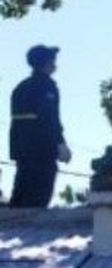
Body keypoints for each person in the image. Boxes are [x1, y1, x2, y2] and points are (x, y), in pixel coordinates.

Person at [9, 44, 69, 208]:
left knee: (21, 193)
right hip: (42, 150)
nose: (55, 63)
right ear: (46, 63)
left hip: (22, 151)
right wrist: (60, 143)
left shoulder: (20, 88)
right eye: (52, 60)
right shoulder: (47, 86)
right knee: (38, 197)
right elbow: (50, 119)